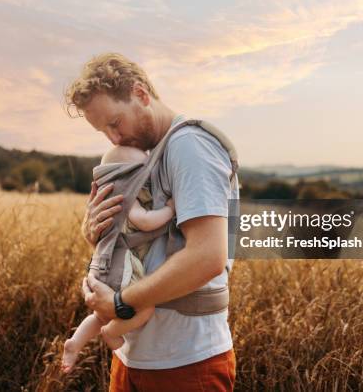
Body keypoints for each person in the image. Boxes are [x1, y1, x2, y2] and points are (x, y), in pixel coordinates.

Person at [64, 52, 237, 391]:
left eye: (115, 123)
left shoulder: (190, 145)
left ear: (141, 95)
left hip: (186, 360)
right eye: (104, 132)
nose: (114, 140)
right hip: (135, 354)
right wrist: (97, 233)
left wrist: (119, 303)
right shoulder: (141, 156)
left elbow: (208, 257)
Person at [61, 144, 176, 373]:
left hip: (102, 264)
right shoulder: (127, 198)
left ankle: (75, 343)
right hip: (119, 265)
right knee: (146, 307)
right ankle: (112, 332)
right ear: (129, 176)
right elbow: (144, 221)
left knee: (100, 313)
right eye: (143, 171)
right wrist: (169, 212)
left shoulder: (107, 199)